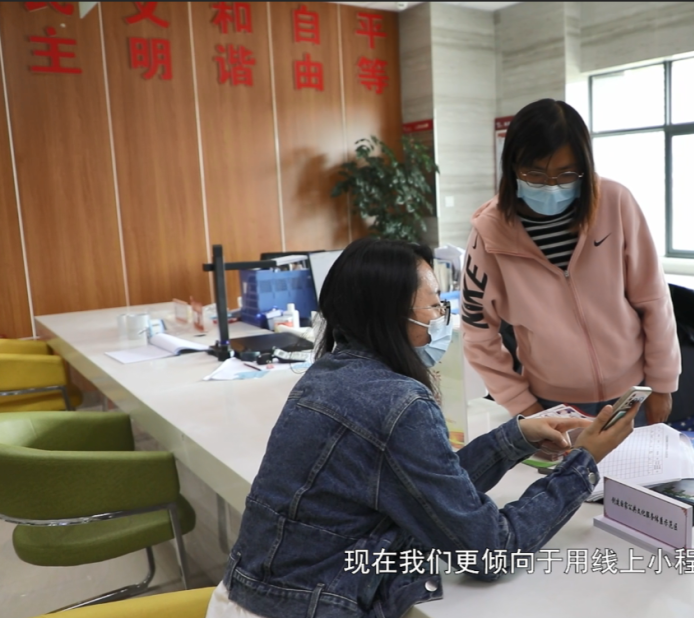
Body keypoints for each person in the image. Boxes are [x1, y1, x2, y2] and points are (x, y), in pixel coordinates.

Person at [204, 237, 636, 618]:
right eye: (434, 306)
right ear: (391, 316)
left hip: (248, 596)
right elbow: (490, 552)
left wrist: (515, 438)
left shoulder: (326, 375)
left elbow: (426, 486)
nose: (442, 318)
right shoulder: (398, 403)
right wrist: (584, 463)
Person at [461, 98, 681, 425]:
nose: (551, 187)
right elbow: (478, 335)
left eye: (566, 174)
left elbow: (653, 298)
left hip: (632, 390)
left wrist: (662, 383)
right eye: (535, 174)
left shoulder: (615, 203)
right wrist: (523, 405)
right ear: (512, 167)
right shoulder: (489, 234)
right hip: (550, 400)